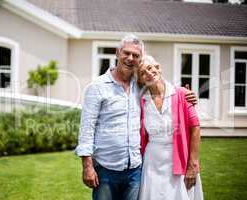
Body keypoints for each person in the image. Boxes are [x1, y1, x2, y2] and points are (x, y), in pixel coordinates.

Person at [75, 34, 197, 200]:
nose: (130, 58)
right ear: (117, 52)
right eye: (126, 53)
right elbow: (86, 129)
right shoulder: (97, 87)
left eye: (136, 55)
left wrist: (185, 94)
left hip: (135, 170)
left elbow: (159, 84)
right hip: (105, 170)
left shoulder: (140, 86)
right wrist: (87, 166)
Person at [137, 55, 203, 200]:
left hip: (179, 159)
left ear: (158, 68)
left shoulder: (181, 94)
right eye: (142, 73)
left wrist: (193, 163)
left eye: (150, 68)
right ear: (140, 80)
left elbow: (195, 128)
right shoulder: (141, 100)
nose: (148, 73)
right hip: (152, 163)